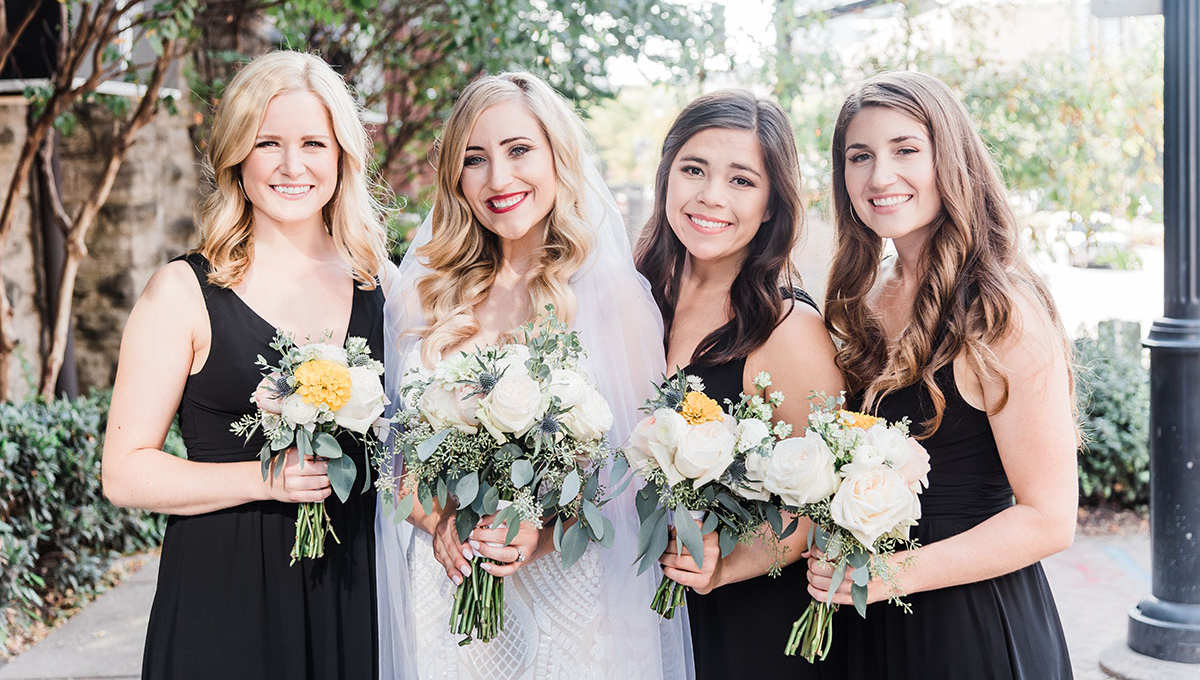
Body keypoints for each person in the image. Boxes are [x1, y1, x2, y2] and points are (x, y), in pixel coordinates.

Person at [375, 72, 692, 680]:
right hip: (447, 590)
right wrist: (437, 519)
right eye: (475, 159)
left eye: (519, 150)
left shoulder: (612, 300)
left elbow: (636, 470)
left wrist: (541, 534)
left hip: (568, 594)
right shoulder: (424, 292)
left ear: (557, 156)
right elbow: (393, 458)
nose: (498, 179)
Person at [101, 51, 390, 680]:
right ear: (236, 154)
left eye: (314, 142)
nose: (293, 166)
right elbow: (124, 475)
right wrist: (264, 480)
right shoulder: (181, 292)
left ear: (342, 156)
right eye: (268, 143)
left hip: (354, 591)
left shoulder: (381, 287)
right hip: (224, 596)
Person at [808, 70, 1077, 679]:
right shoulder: (866, 300)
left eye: (906, 150)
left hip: (969, 626)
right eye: (860, 156)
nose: (880, 176)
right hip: (869, 621)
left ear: (949, 159)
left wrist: (885, 576)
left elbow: (1050, 517)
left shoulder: (1000, 311)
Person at [635, 90, 845, 679]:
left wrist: (724, 565)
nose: (711, 197)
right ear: (666, 176)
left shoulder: (788, 329)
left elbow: (822, 508)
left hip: (744, 629)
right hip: (635, 613)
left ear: (773, 204)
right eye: (693, 170)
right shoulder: (636, 296)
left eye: (742, 181)